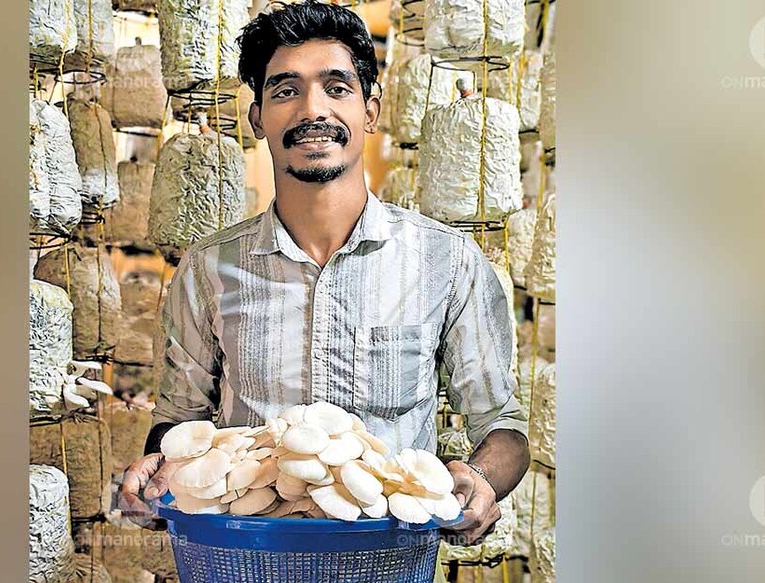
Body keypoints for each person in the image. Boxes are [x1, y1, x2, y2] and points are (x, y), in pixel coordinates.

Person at [120, 0, 529, 546]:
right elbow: (178, 418)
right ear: (257, 117)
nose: (313, 109)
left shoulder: (446, 262)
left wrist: (479, 479)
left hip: (388, 564)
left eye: (336, 87)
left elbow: (504, 425)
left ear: (371, 111)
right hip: (245, 561)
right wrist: (156, 468)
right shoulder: (207, 269)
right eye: (286, 90)